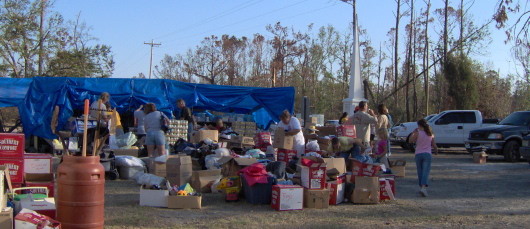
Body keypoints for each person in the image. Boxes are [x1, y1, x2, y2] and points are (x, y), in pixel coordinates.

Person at [408, 119, 438, 197]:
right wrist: (436, 151)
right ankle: (423, 187)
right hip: (427, 154)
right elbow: (434, 145)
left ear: (419, 125)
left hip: (418, 153)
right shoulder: (430, 133)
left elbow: (410, 141)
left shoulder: (418, 133)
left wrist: (413, 133)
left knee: (420, 171)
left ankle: (421, 187)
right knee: (426, 171)